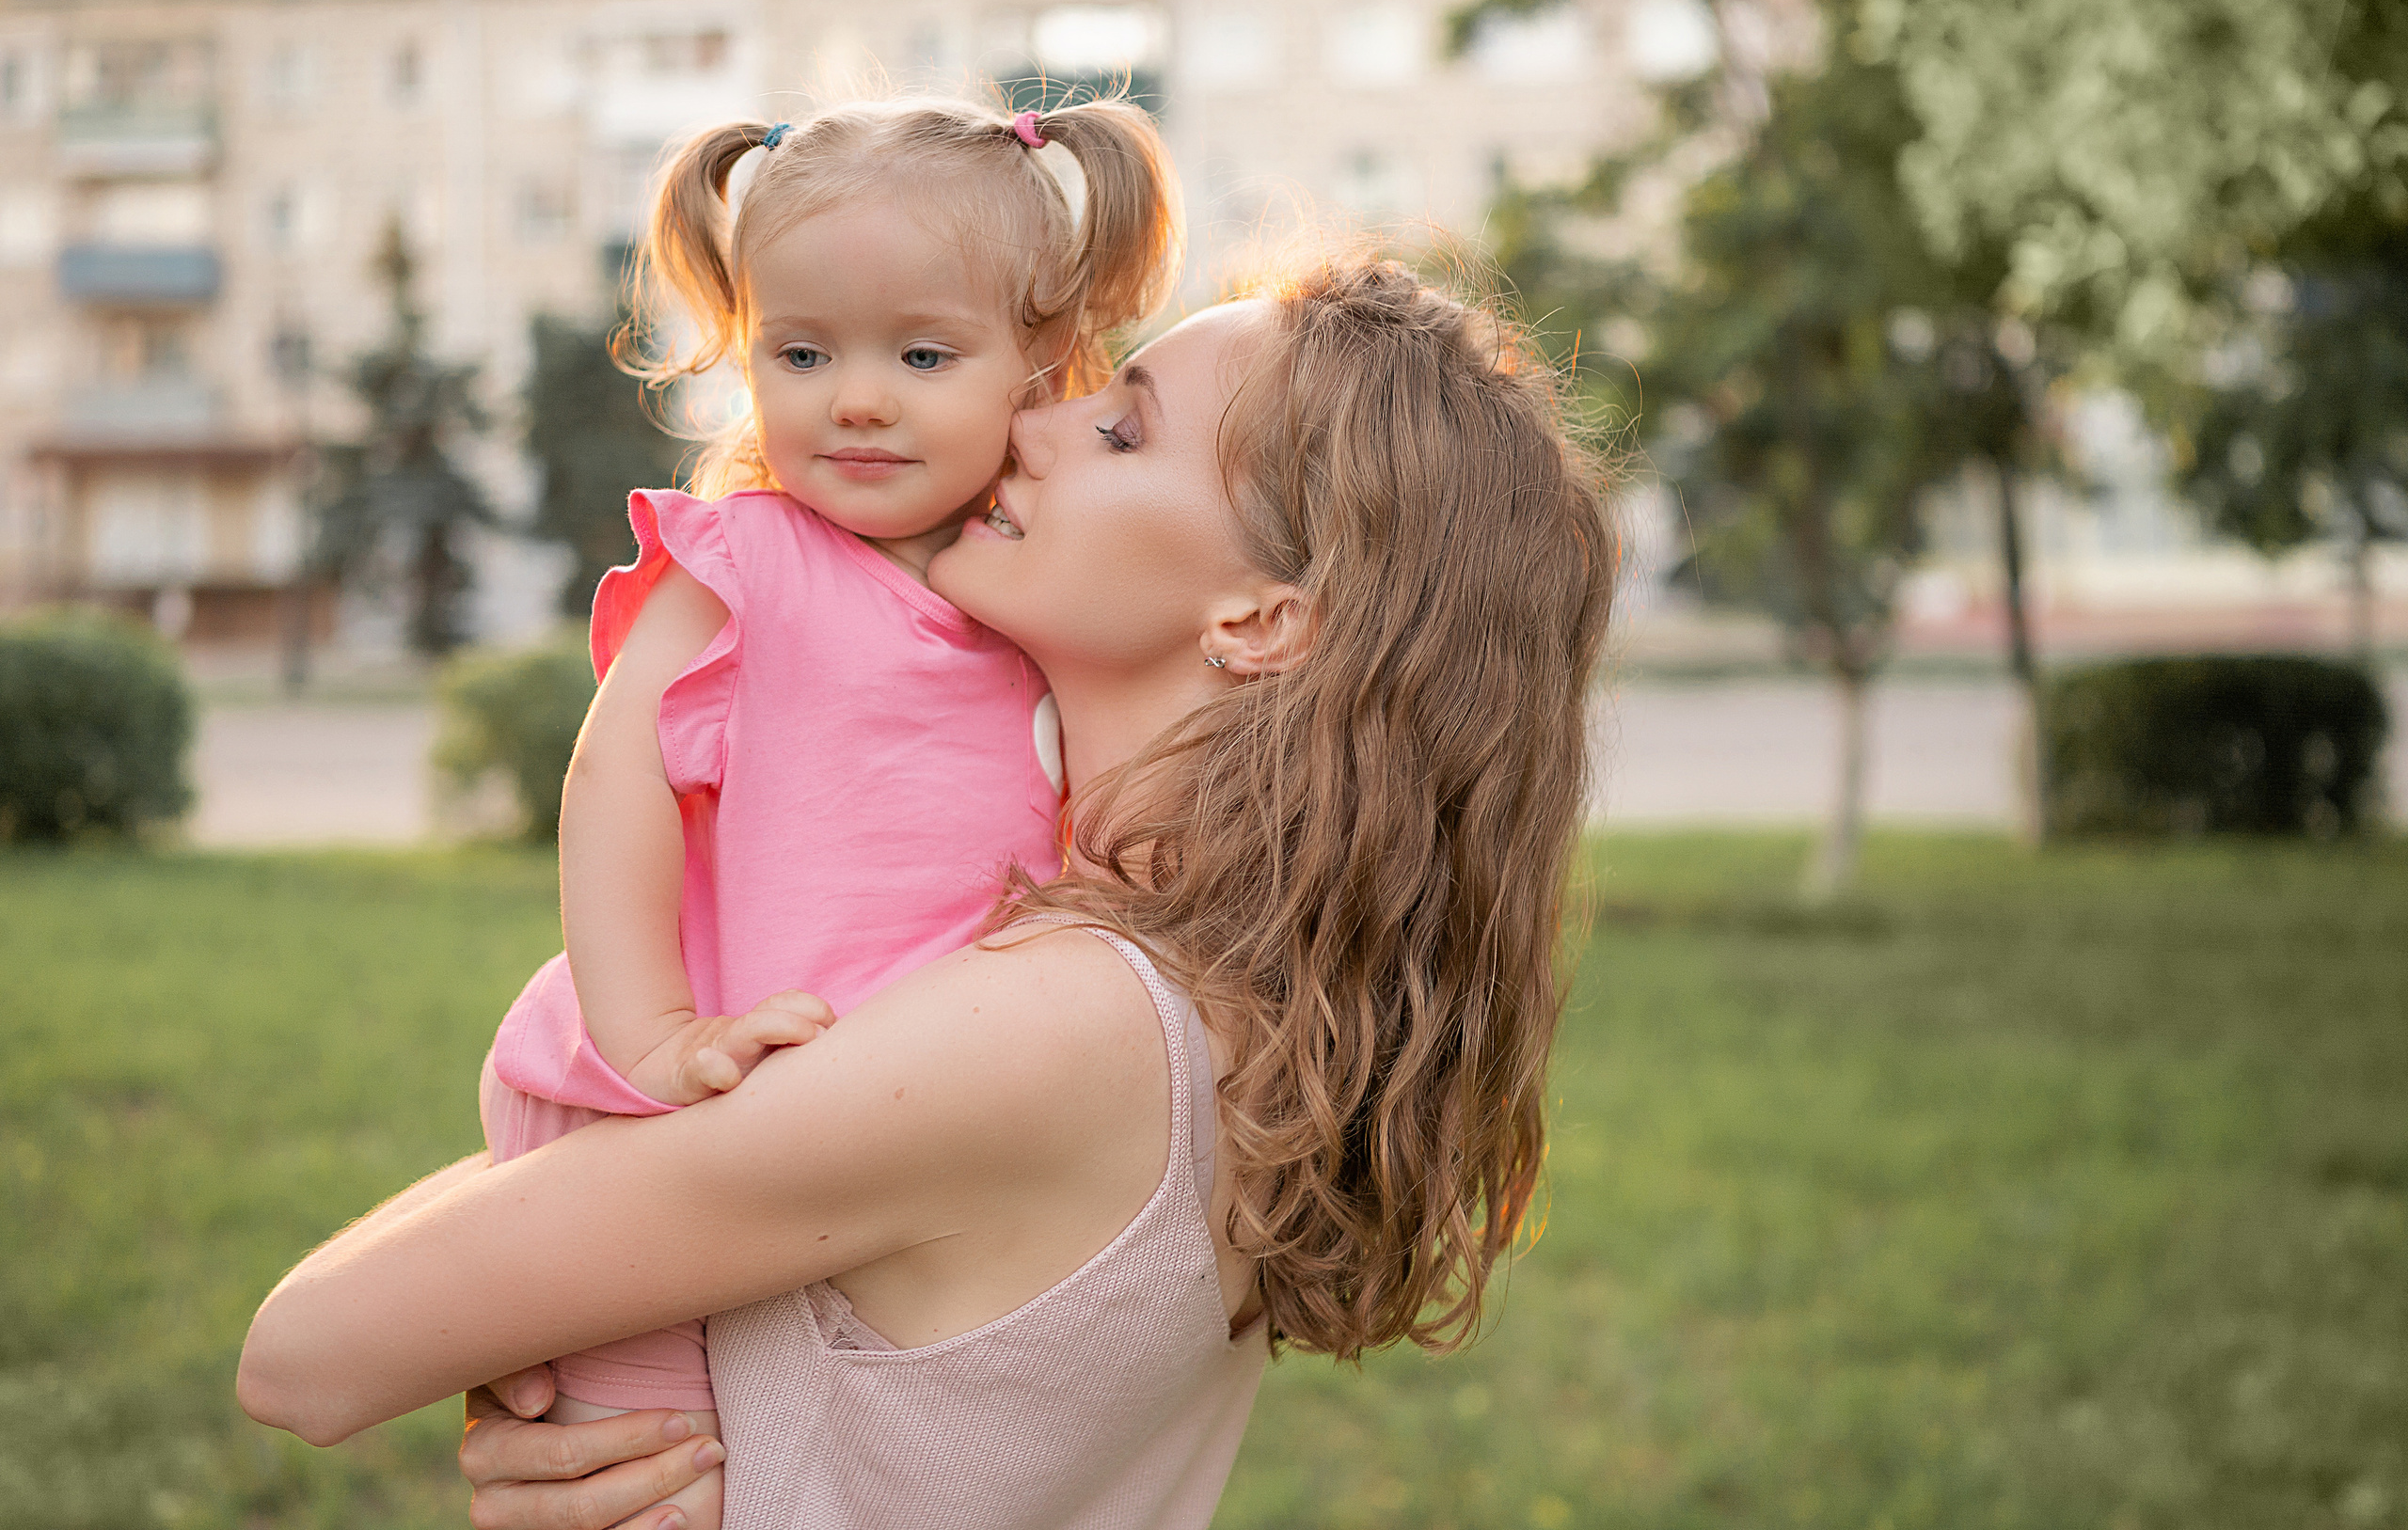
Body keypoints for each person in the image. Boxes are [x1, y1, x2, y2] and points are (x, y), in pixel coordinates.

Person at [239, 252, 1617, 1530]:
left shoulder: (1063, 1025)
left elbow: (304, 1353)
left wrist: (522, 1337)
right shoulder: (1233, 996)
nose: (1029, 425)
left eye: (1123, 429)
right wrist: (577, 1294)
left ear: (1261, 619)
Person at [467, 93, 1180, 1526]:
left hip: (877, 1145)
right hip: (667, 1108)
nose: (855, 397)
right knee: (655, 1491)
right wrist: (653, 1036)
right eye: (801, 353)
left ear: (1044, 360)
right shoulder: (745, 562)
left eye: (922, 353)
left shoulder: (1029, 591)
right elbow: (616, 783)